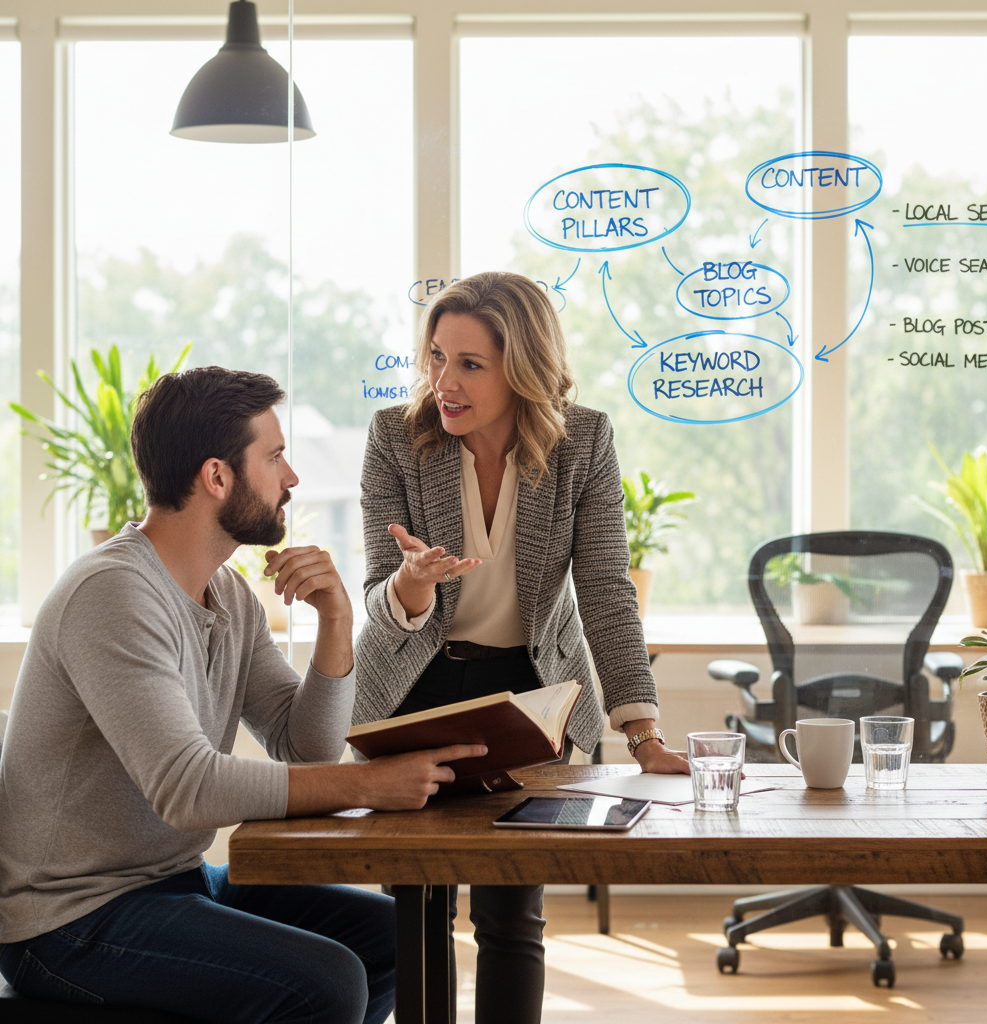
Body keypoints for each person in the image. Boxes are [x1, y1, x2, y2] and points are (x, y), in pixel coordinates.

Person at [0, 366, 484, 1024]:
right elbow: (187, 788)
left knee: (401, 937)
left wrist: (336, 620)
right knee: (329, 982)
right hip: (67, 919)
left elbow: (307, 745)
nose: (292, 479)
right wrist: (369, 786)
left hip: (170, 884)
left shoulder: (228, 594)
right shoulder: (113, 593)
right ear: (217, 477)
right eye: (276, 456)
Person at [353, 271, 690, 1023]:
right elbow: (382, 600)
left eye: (470, 363)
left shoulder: (584, 442)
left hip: (528, 694)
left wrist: (644, 732)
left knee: (512, 910)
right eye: (437, 356)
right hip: (417, 687)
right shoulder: (396, 439)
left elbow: (606, 591)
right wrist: (411, 584)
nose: (444, 380)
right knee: (414, 913)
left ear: (524, 366)